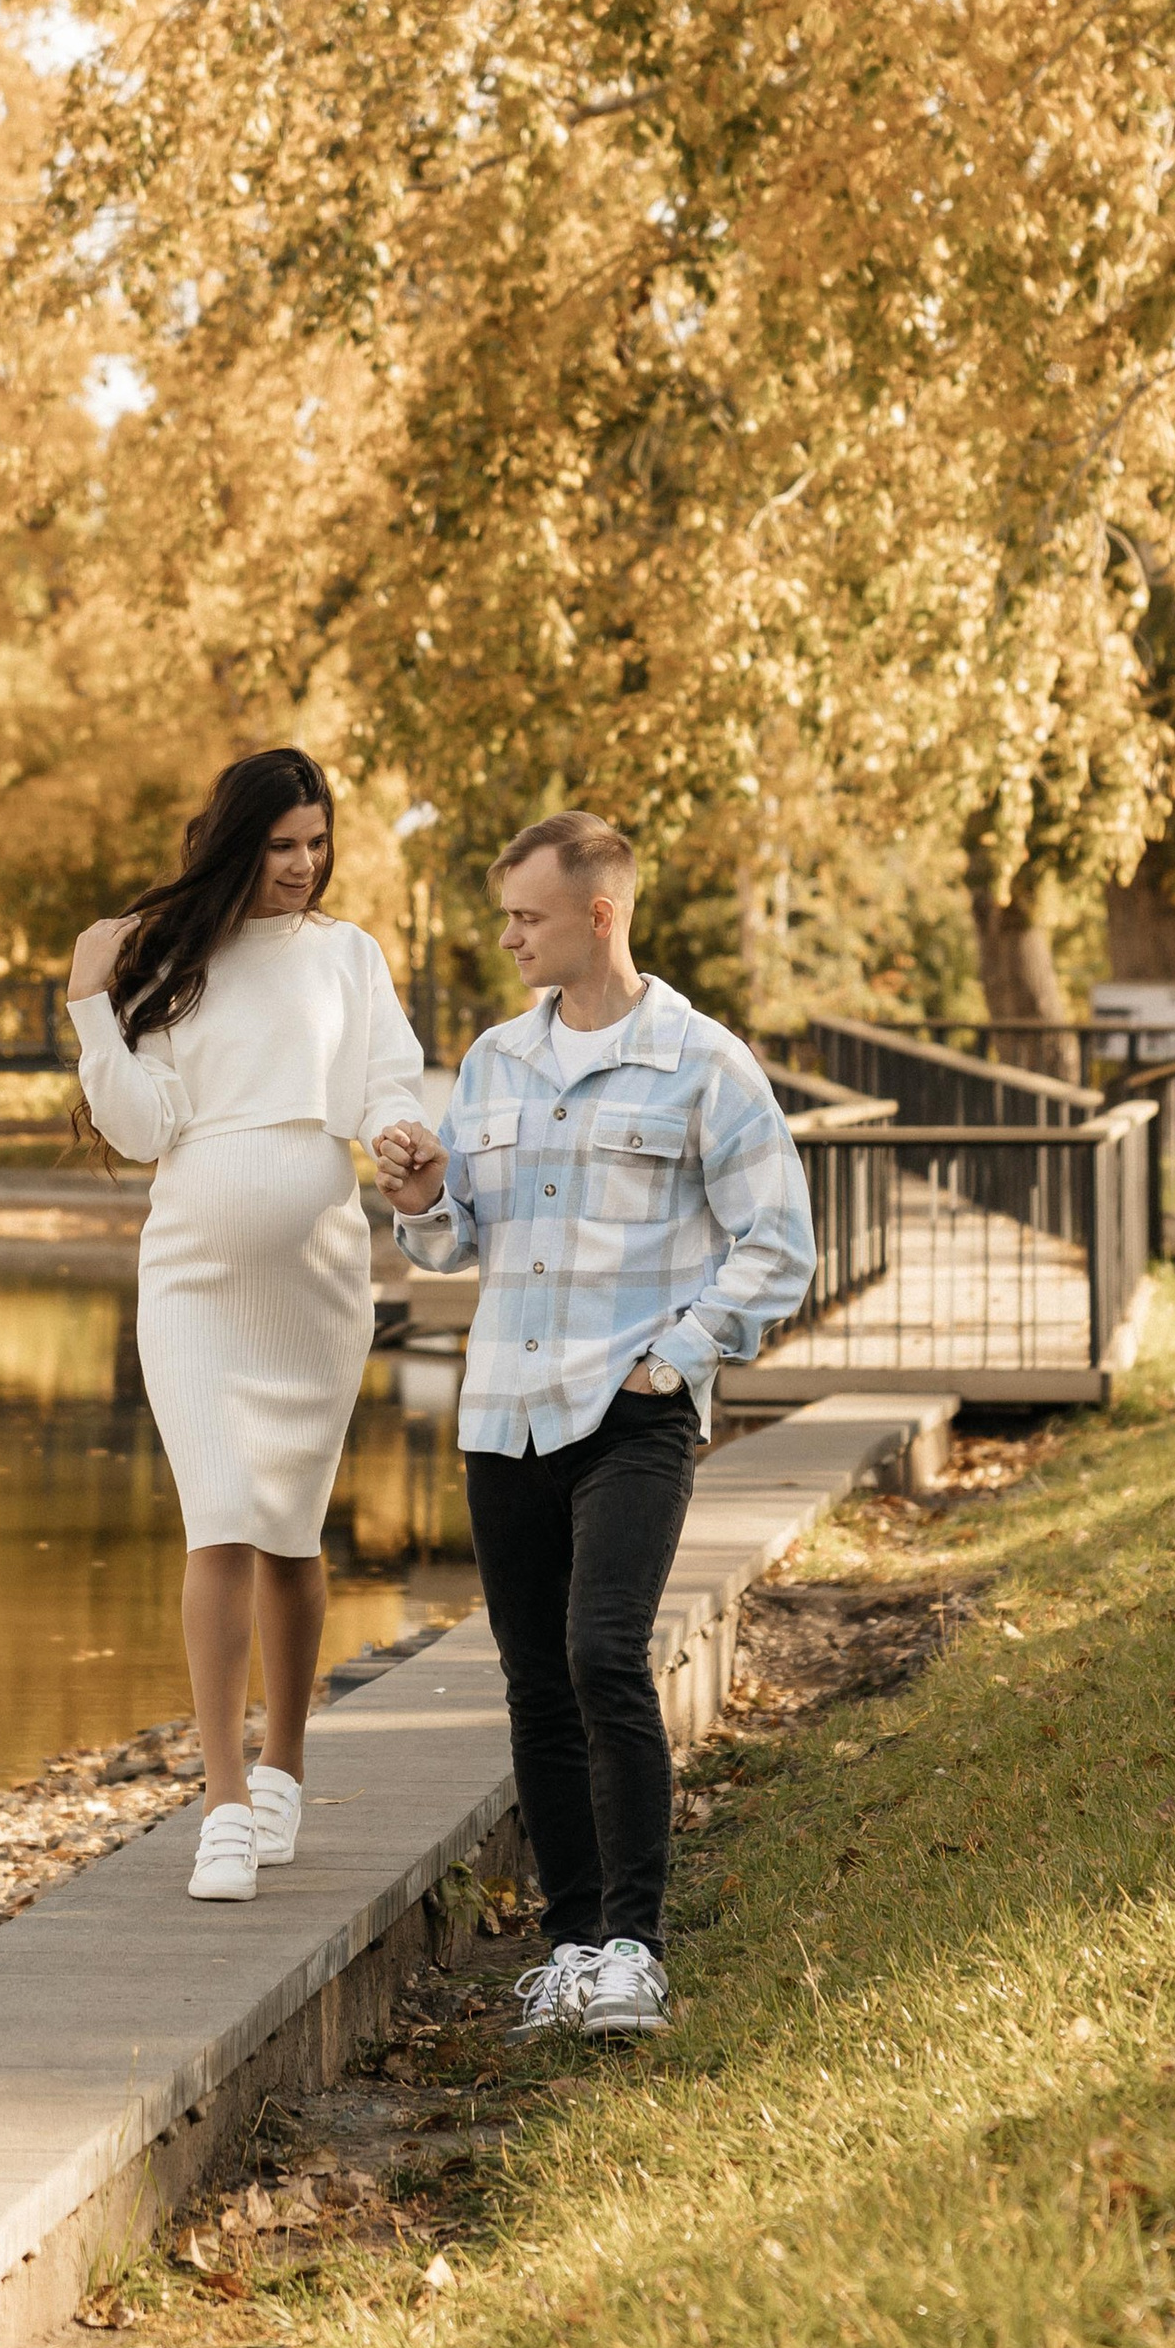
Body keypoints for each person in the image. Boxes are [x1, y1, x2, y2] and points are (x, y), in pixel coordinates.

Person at [375, 813, 814, 2037]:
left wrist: (674, 1359)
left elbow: (778, 1242)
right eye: (508, 915)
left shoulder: (703, 1062)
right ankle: (570, 1949)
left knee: (603, 1658)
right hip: (502, 1417)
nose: (509, 935)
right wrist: (421, 1198)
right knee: (533, 1689)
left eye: (527, 914)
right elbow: (461, 1233)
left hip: (630, 1414)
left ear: (598, 913)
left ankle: (634, 1948)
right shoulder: (494, 1062)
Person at [69, 747, 430, 1905]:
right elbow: (140, 1126)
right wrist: (90, 1007)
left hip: (318, 1278)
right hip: (192, 1281)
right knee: (218, 1518)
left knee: (289, 1531)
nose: (304, 864)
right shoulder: (175, 960)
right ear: (238, 843)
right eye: (282, 845)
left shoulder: (347, 954)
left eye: (317, 843)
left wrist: (402, 1138)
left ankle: (285, 1767)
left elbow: (388, 1077)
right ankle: (222, 1801)